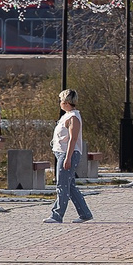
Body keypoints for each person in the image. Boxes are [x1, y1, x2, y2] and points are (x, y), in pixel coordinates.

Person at [47, 88, 92, 224]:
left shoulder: (73, 117)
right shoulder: (66, 116)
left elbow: (73, 139)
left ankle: (57, 215)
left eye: (61, 100)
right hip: (60, 152)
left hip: (67, 153)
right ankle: (85, 213)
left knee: (62, 185)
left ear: (66, 102)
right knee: (70, 186)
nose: (60, 103)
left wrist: (68, 157)